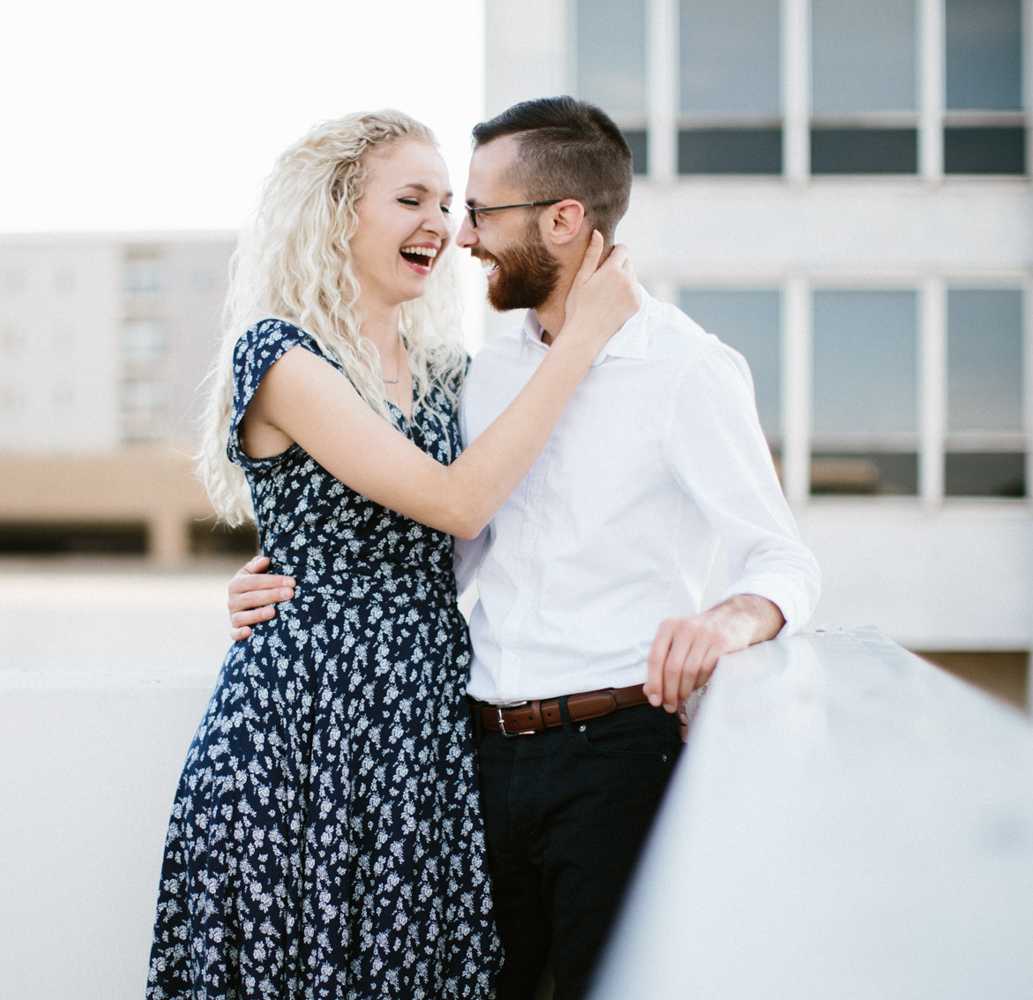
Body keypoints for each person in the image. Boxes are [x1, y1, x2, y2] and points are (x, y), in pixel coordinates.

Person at [227, 97, 822, 1000]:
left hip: (613, 754)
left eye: (477, 212)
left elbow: (781, 555)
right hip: (467, 754)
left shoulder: (689, 368)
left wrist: (737, 617)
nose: (461, 237)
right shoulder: (483, 371)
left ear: (563, 219)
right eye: (437, 207)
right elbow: (429, 527)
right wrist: (291, 583)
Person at [146, 109, 639, 1000]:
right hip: (306, 735)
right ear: (336, 213)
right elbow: (459, 502)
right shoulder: (283, 355)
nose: (443, 226)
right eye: (411, 198)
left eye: (450, 204)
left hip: (423, 739)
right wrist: (583, 341)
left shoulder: (450, 368)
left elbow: (527, 518)